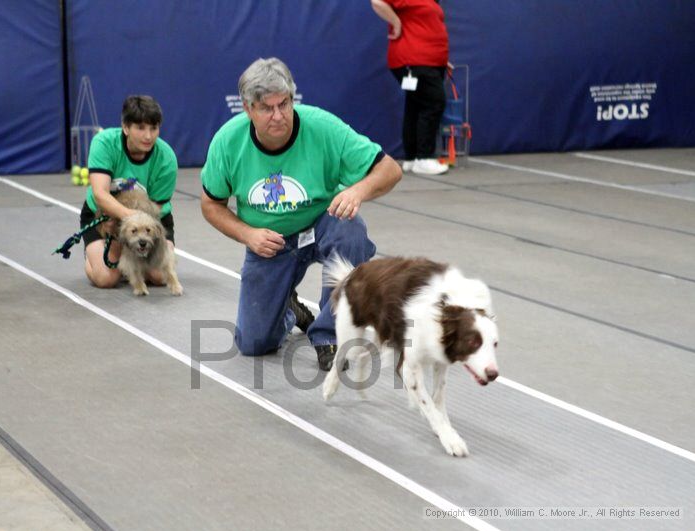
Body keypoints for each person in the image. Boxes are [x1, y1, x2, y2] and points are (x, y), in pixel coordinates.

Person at [200, 57, 402, 371]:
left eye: (285, 103)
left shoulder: (323, 127)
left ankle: (329, 335)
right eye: (267, 108)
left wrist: (356, 190)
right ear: (247, 107)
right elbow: (210, 205)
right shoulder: (228, 142)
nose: (279, 115)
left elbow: (389, 169)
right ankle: (289, 311)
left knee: (352, 232)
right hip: (269, 240)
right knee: (254, 344)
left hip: (322, 224)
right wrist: (247, 234)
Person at [81, 95, 178, 288]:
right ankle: (95, 258)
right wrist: (126, 221)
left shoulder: (166, 158)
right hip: (103, 217)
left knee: (159, 277)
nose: (148, 136)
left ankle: (135, 262)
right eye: (140, 128)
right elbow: (100, 194)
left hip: (150, 221)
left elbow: (156, 209)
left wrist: (137, 225)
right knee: (106, 279)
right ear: (126, 127)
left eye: (154, 128)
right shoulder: (104, 143)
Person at [371, 0, 450, 176]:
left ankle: (412, 158)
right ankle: (424, 157)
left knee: (415, 106)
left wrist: (441, 60)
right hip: (414, 60)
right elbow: (377, 2)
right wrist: (396, 23)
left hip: (429, 61)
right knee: (433, 103)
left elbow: (427, 26)